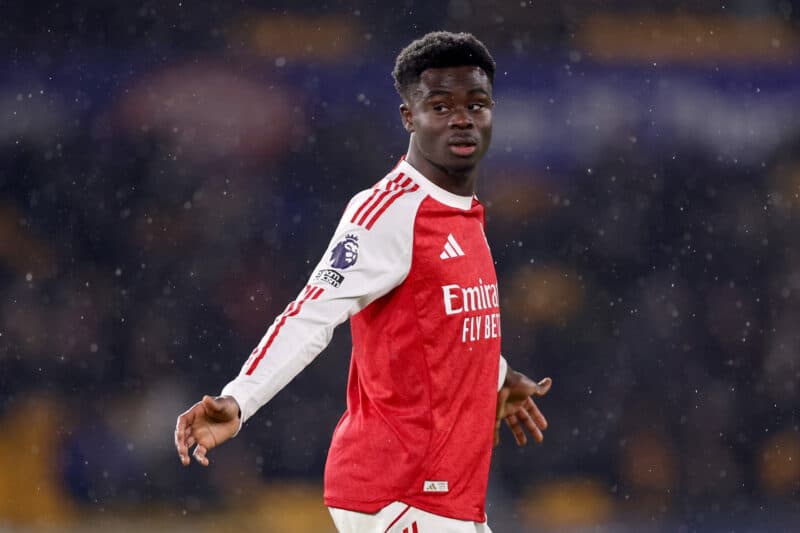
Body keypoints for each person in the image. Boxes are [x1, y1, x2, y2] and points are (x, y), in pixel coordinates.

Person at [174, 31, 552, 533]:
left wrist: (497, 375)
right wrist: (240, 398)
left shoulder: (464, 213)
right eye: (440, 106)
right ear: (409, 117)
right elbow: (311, 313)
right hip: (400, 490)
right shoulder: (389, 211)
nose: (462, 118)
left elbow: (442, 322)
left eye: (476, 104)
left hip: (443, 496)